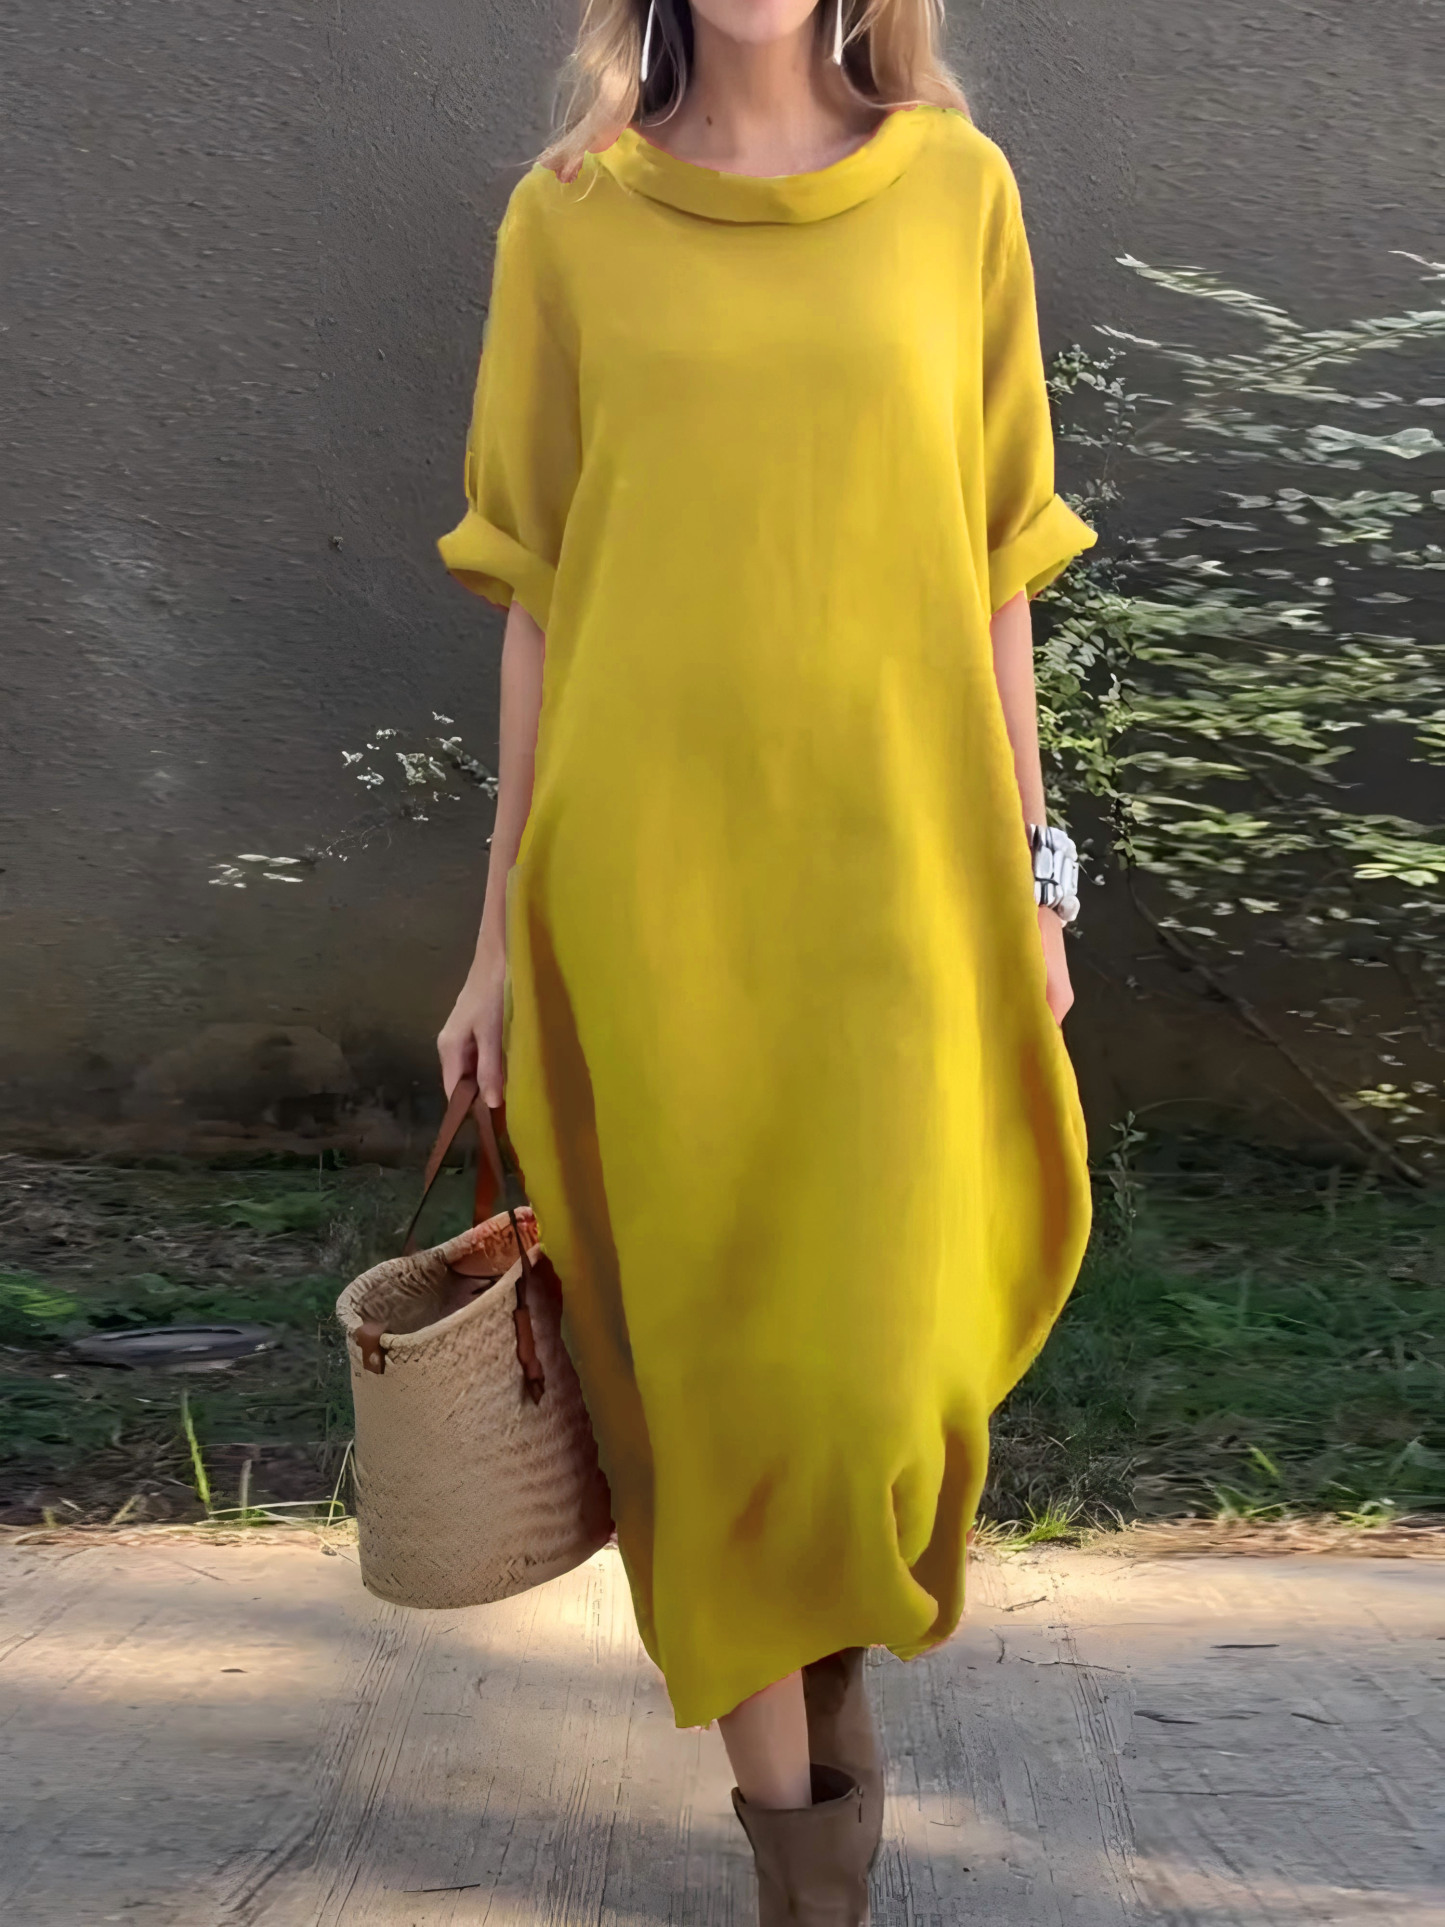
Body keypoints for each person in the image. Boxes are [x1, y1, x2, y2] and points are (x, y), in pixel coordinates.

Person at [436, 0, 1094, 1915]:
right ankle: (806, 1864)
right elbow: (536, 592)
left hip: (898, 878)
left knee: (867, 1370)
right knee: (710, 1373)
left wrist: (1035, 875)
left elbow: (998, 562)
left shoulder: (957, 192)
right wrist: (492, 940)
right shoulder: (567, 218)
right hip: (646, 892)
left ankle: (817, 1671)